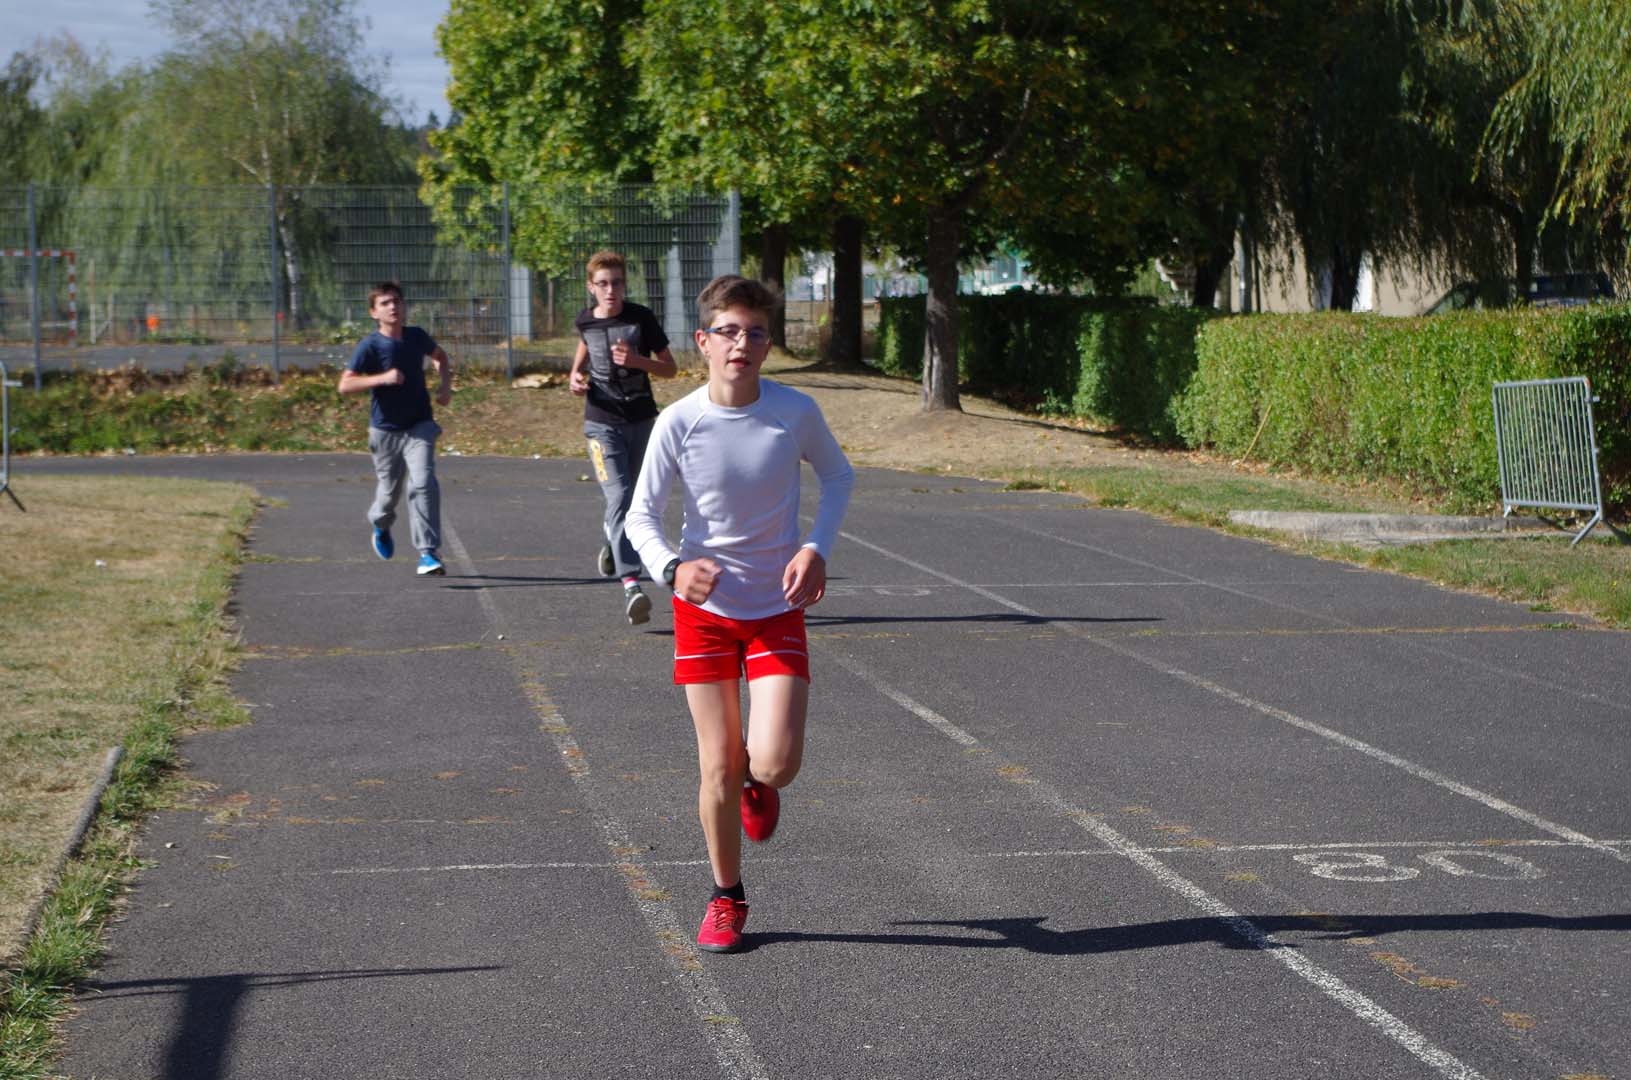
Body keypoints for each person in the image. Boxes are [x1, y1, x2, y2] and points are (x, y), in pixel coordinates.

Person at [626, 274, 854, 954]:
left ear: (767, 344)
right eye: (728, 331)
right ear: (702, 341)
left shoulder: (794, 412)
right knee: (717, 766)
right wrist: (671, 567)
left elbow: (838, 476)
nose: (741, 344)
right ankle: (726, 897)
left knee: (774, 763)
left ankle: (763, 783)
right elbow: (640, 514)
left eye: (755, 332)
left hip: (776, 605)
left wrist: (815, 547)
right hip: (705, 613)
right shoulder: (680, 420)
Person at [569, 251, 678, 624]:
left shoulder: (640, 318)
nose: (610, 290)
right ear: (591, 287)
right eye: (602, 283)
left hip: (642, 420)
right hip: (601, 423)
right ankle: (631, 581)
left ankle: (611, 540)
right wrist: (575, 375)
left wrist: (637, 362)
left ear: (624, 285)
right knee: (618, 495)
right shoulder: (585, 320)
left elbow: (670, 368)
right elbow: (585, 342)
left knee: (637, 498)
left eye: (616, 282)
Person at [338, 280, 454, 577]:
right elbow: (345, 384)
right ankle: (380, 524)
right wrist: (382, 378)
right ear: (374, 312)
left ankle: (428, 553)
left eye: (397, 302)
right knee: (388, 495)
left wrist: (444, 386)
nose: (393, 307)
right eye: (386, 303)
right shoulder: (370, 346)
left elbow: (440, 356)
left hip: (420, 425)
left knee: (423, 482)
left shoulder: (416, 337)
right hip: (385, 431)